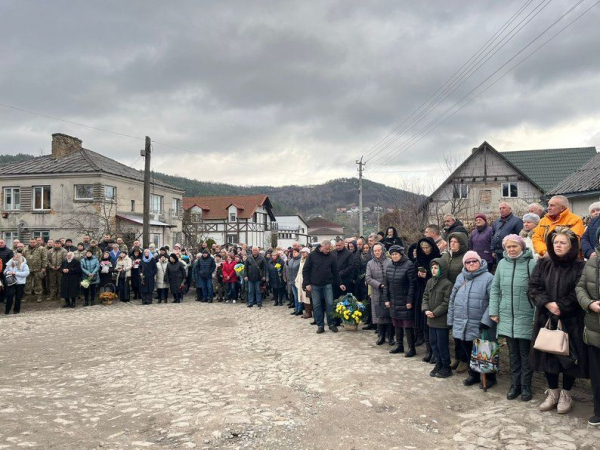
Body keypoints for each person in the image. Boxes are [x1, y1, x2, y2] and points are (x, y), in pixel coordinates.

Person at [529, 227, 588, 414]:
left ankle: (566, 394)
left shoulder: (580, 267)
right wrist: (547, 303)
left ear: (571, 245)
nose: (558, 246)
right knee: (549, 355)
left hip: (571, 320)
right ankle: (553, 392)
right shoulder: (543, 264)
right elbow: (533, 287)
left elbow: (579, 291)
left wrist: (561, 306)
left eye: (563, 242)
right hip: (546, 319)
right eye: (555, 242)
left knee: (569, 358)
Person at [489, 235, 536, 402]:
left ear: (522, 247)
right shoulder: (502, 264)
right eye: (508, 247)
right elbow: (495, 289)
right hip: (506, 315)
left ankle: (525, 386)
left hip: (526, 314)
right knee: (513, 352)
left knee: (525, 353)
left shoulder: (532, 263)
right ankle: (514, 385)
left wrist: (536, 314)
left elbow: (538, 291)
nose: (511, 249)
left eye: (514, 246)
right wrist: (494, 311)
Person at [447, 251, 495, 387]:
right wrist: (451, 320)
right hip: (461, 321)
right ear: (464, 264)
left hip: (480, 322)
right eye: (468, 262)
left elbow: (494, 300)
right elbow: (452, 299)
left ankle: (490, 377)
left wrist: (486, 320)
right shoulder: (460, 277)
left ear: (480, 262)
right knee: (467, 349)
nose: (471, 263)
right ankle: (473, 374)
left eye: (474, 261)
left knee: (484, 349)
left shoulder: (488, 277)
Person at [576, 227, 600, 426]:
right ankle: (598, 410)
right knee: (597, 372)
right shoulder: (592, 261)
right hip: (594, 327)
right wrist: (589, 304)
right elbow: (581, 287)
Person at [302, 240, 345, 334]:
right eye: (326, 249)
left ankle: (331, 324)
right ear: (321, 246)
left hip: (327, 284)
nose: (327, 251)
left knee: (329, 304)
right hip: (315, 285)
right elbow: (306, 270)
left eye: (329, 249)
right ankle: (320, 325)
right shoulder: (312, 255)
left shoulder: (331, 257)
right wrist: (307, 283)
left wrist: (340, 283)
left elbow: (335, 272)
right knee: (317, 305)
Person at [422, 258, 453, 378]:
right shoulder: (430, 282)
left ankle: (446, 366)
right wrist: (426, 309)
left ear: (442, 269)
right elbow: (425, 296)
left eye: (436, 268)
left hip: (441, 320)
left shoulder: (447, 284)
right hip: (430, 319)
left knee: (442, 344)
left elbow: (446, 302)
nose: (433, 270)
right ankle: (438, 363)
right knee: (433, 342)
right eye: (432, 268)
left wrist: (435, 312)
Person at [383, 245, 416, 357]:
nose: (394, 256)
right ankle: (399, 345)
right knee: (396, 323)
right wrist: (386, 299)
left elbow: (412, 285)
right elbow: (386, 284)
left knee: (407, 324)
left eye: (396, 254)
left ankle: (411, 348)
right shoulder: (390, 266)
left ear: (401, 254)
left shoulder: (409, 265)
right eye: (392, 254)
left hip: (405, 299)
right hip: (393, 299)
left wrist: (409, 300)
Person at [414, 237, 441, 360]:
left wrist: (428, 275)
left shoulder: (437, 258)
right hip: (421, 292)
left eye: (427, 248)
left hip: (434, 292)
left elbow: (441, 274)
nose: (425, 250)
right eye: (423, 248)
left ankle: (435, 352)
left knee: (431, 323)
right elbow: (413, 276)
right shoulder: (419, 259)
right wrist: (419, 274)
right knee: (424, 323)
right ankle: (429, 350)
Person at [366, 243, 393, 347]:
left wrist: (387, 285)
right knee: (379, 314)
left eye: (379, 250)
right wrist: (379, 285)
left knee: (389, 314)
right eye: (375, 251)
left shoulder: (389, 261)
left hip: (389, 291)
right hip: (377, 291)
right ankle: (381, 336)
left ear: (383, 250)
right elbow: (368, 278)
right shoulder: (370, 263)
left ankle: (390, 336)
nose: (377, 252)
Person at [23, 238, 47, 303]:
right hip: (28, 269)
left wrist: (44, 267)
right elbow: (23, 258)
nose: (32, 243)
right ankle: (27, 295)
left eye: (33, 242)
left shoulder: (41, 248)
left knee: (38, 283)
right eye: (31, 242)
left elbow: (44, 258)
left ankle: (39, 296)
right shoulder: (25, 249)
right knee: (27, 283)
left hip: (38, 269)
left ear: (36, 242)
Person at [296, 247, 312, 319]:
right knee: (302, 296)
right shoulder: (302, 260)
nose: (302, 254)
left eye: (304, 252)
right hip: (300, 278)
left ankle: (309, 312)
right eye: (302, 253)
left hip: (306, 279)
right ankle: (306, 311)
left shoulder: (310, 259)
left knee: (307, 296)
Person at [287, 248, 303, 316]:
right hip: (291, 280)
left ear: (299, 253)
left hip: (297, 280)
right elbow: (289, 270)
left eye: (296, 252)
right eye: (293, 252)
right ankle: (296, 308)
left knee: (298, 296)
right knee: (295, 295)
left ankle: (300, 309)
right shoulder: (291, 260)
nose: (294, 253)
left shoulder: (300, 260)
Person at [0, 239, 14, 304]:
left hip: (5, 271)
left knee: (6, 284)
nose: (0, 244)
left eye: (2, 242)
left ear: (5, 243)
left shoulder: (9, 251)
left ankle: (6, 297)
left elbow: (12, 262)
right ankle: (1, 297)